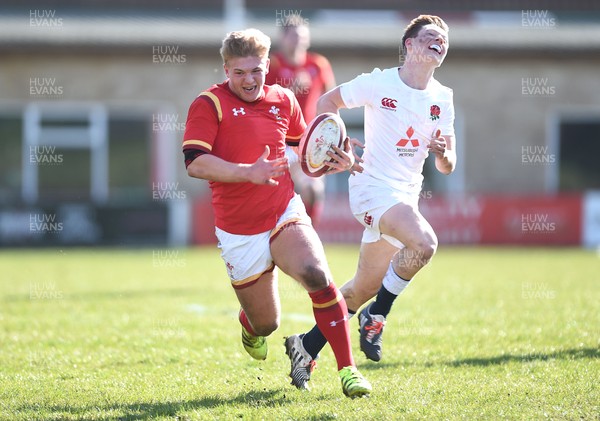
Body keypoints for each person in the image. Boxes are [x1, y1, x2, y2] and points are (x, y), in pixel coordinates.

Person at [181, 28, 371, 398]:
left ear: (268, 65)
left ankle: (348, 370)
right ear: (226, 69)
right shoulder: (209, 104)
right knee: (267, 323)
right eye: (239, 73)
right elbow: (194, 163)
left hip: (283, 210)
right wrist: (246, 173)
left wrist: (338, 158)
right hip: (238, 230)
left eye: (255, 71)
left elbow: (306, 148)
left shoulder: (283, 99)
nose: (249, 80)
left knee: (317, 274)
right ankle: (249, 325)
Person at [284, 15, 457, 387]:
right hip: (371, 189)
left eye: (443, 39)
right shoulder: (378, 82)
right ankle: (378, 315)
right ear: (409, 45)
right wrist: (336, 147)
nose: (439, 42)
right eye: (430, 36)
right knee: (425, 245)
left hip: (405, 196)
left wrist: (443, 154)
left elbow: (447, 165)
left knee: (359, 289)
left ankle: (305, 345)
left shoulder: (443, 98)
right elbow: (328, 100)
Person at [265, 22, 336, 229]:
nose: (298, 41)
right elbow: (261, 100)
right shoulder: (272, 65)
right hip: (278, 140)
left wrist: (331, 131)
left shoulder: (318, 64)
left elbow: (329, 99)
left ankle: (308, 234)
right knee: (274, 195)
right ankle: (274, 237)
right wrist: (287, 89)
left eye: (302, 36)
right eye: (293, 36)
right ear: (282, 39)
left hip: (308, 139)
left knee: (314, 191)